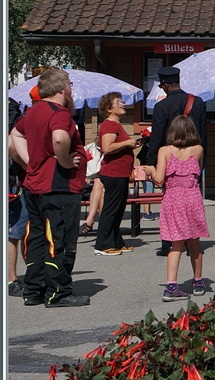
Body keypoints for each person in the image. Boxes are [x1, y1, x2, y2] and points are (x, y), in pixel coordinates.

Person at [8, 69, 90, 307]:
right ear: (61, 88)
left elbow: (14, 136)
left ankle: (34, 290)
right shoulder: (59, 112)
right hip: (58, 187)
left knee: (37, 238)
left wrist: (29, 162)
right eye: (70, 84)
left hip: (35, 185)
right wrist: (64, 160)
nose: (71, 89)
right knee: (59, 238)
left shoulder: (32, 112)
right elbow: (60, 139)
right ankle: (59, 293)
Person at [146, 67, 207, 258]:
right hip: (193, 157)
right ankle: (191, 242)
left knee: (170, 204)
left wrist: (152, 162)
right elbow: (203, 134)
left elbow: (156, 137)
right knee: (191, 203)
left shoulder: (161, 107)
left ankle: (169, 244)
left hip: (169, 158)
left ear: (164, 84)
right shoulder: (197, 102)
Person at [151, 115, 209, 301]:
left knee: (175, 244)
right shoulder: (197, 149)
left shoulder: (165, 151)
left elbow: (159, 178)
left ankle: (171, 286)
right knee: (194, 242)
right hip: (192, 197)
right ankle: (198, 282)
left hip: (173, 198)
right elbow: (198, 171)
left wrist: (150, 171)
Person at [93, 93, 141, 256]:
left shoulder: (115, 125)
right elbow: (107, 147)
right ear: (109, 108)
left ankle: (116, 241)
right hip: (113, 173)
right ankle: (102, 245)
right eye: (118, 102)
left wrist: (129, 146)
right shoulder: (109, 125)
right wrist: (128, 142)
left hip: (120, 173)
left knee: (118, 209)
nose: (122, 104)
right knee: (111, 209)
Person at [7, 97, 27, 297]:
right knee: (14, 230)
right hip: (12, 180)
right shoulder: (11, 107)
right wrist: (28, 165)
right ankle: (11, 279)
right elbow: (11, 144)